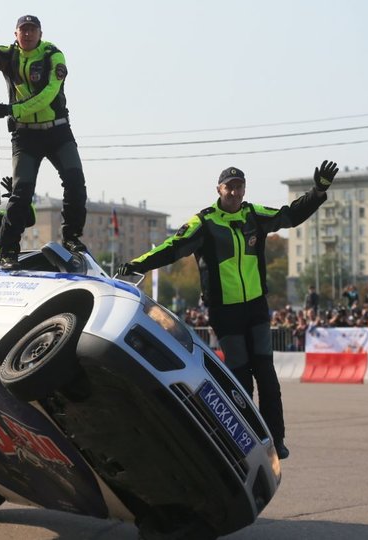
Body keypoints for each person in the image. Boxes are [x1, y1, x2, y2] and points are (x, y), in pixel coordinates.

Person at [118, 161, 339, 460]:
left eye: (239, 186)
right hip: (224, 311)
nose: (234, 192)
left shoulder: (254, 215)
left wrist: (318, 191)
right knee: (240, 376)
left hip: (256, 307)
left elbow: (290, 216)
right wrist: (138, 263)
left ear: (244, 189)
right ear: (219, 190)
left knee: (267, 375)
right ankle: (244, 442)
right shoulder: (205, 222)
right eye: (229, 187)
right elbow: (174, 246)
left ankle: (277, 438)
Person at [0, 15, 88, 269]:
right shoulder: (9, 55)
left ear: (40, 33)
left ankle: (71, 239)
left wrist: (9, 109)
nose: (27, 35)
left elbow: (48, 95)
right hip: (26, 136)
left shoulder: (53, 55)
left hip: (57, 132)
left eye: (32, 30)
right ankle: (7, 251)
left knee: (75, 182)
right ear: (16, 34)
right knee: (21, 192)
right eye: (23, 30)